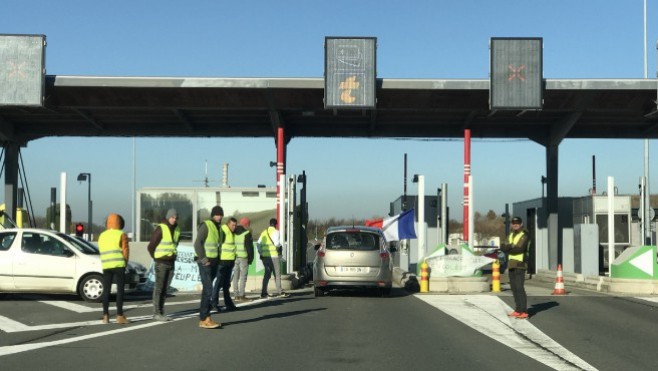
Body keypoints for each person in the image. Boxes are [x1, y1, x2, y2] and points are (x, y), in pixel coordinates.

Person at [147, 208, 180, 322]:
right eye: (172, 217)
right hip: (161, 263)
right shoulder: (161, 228)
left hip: (171, 262)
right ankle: (157, 313)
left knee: (165, 289)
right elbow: (151, 246)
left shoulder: (177, 230)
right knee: (159, 288)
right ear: (168, 217)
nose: (174, 220)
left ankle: (161, 311)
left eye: (176, 218)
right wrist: (156, 257)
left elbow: (174, 245)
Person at [193, 206, 223, 329]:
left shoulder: (219, 228)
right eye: (217, 214)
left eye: (221, 214)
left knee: (207, 290)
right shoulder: (206, 225)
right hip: (205, 263)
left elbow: (217, 246)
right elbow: (197, 243)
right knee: (208, 289)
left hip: (214, 263)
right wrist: (204, 259)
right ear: (213, 215)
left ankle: (204, 317)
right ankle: (205, 318)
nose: (219, 216)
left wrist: (218, 260)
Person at [98, 213, 130, 325]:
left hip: (106, 265)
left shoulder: (102, 235)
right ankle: (119, 315)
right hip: (119, 265)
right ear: (120, 223)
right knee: (120, 291)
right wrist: (125, 263)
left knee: (106, 290)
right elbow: (125, 250)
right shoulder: (121, 234)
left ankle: (105, 316)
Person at [500, 216, 531, 319]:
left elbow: (519, 249)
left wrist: (509, 247)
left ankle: (524, 311)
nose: (515, 224)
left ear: (521, 224)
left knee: (519, 287)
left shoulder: (524, 235)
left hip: (520, 263)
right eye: (513, 223)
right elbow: (502, 246)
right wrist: (510, 247)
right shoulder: (511, 235)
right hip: (511, 264)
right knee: (513, 287)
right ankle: (518, 309)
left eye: (517, 223)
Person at [212, 217, 238, 312]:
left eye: (235, 225)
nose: (234, 227)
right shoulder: (223, 230)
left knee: (226, 285)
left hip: (229, 262)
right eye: (232, 225)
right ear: (228, 224)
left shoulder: (232, 233)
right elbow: (218, 245)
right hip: (222, 262)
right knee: (218, 284)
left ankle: (229, 304)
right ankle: (214, 303)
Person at [259, 218, 290, 298]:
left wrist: (261, 253)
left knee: (267, 274)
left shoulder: (264, 232)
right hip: (274, 256)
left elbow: (258, 244)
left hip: (265, 257)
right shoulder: (276, 232)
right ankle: (279, 291)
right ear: (275, 225)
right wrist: (280, 247)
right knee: (277, 274)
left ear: (270, 224)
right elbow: (276, 243)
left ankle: (264, 292)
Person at [232, 217, 254, 303]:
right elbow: (249, 248)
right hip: (244, 257)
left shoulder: (233, 232)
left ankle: (236, 295)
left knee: (235, 277)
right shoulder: (247, 233)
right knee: (243, 277)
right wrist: (251, 259)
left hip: (235, 257)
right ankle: (242, 295)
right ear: (247, 225)